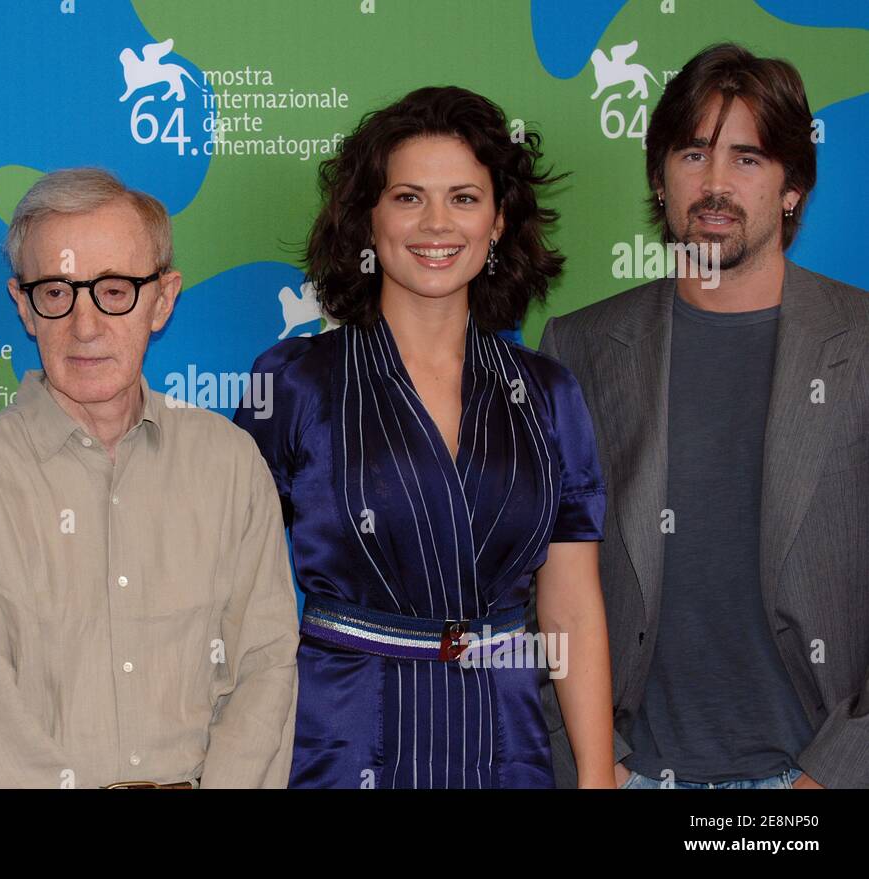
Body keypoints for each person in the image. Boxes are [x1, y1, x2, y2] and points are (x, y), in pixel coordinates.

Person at [235, 86, 616, 788]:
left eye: (465, 198)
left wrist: (595, 778)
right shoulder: (295, 383)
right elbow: (226, 585)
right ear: (368, 221)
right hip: (342, 743)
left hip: (505, 742)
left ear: (498, 222)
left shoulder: (549, 395)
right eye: (409, 197)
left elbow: (571, 608)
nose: (437, 223)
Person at [540, 43, 869, 789]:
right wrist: (595, 762)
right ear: (659, 178)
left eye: (748, 159)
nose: (715, 184)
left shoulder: (864, 343)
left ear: (793, 189)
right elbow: (535, 577)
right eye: (693, 154)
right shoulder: (581, 345)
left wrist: (837, 775)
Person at [0, 168, 299, 788]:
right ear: (24, 305)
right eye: (57, 293)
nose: (86, 325)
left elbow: (266, 666)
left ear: (163, 299)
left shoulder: (230, 465)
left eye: (115, 290)